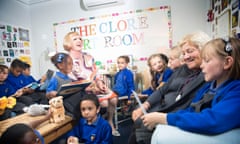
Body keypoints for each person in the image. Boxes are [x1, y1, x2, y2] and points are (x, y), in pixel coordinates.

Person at [150, 37, 240, 144]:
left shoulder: (236, 91)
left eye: (206, 61)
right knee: (160, 129)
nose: (202, 65)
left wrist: (167, 118)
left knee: (160, 136)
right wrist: (166, 118)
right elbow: (191, 110)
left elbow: (213, 120)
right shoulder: (208, 87)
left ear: (227, 62)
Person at [129, 31, 211, 144]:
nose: (186, 57)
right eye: (184, 53)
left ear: (205, 50)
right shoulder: (182, 70)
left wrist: (162, 117)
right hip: (161, 108)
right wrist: (145, 105)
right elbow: (162, 89)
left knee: (139, 128)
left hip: (170, 113)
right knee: (136, 121)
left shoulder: (208, 75)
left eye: (190, 51)